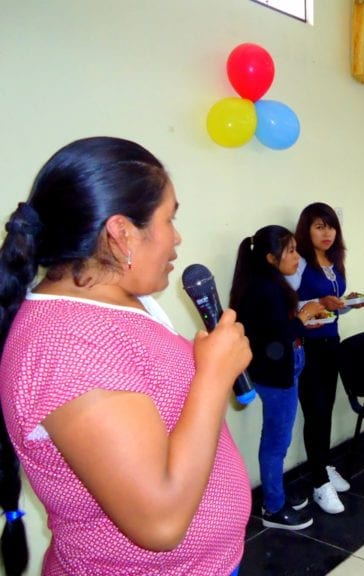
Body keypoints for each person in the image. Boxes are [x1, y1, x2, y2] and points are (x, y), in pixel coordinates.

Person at [0, 137, 253, 574]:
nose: (177, 237)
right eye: (169, 219)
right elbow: (160, 521)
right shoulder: (67, 345)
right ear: (121, 233)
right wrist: (213, 378)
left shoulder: (116, 302)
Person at [230, 225, 327, 531]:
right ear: (271, 258)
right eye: (292, 251)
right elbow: (278, 336)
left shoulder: (268, 283)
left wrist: (299, 323)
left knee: (278, 439)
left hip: (283, 366)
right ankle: (273, 508)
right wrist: (304, 317)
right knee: (276, 442)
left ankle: (276, 493)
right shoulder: (266, 288)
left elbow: (272, 330)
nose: (298, 257)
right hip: (275, 374)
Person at [287, 202, 358, 514]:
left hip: (332, 341)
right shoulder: (299, 262)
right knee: (314, 412)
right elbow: (286, 304)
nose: (326, 232)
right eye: (319, 226)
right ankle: (318, 483)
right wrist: (318, 301)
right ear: (307, 230)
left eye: (330, 226)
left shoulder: (334, 261)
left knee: (326, 408)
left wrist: (346, 305)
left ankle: (323, 465)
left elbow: (333, 304)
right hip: (306, 346)